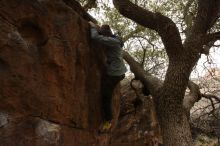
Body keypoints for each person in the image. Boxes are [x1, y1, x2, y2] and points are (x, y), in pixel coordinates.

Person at [89, 21, 127, 132]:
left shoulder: (112, 41)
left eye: (103, 34)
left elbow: (95, 37)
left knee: (106, 96)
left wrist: (92, 27)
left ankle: (108, 121)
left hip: (115, 74)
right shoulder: (116, 38)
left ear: (106, 34)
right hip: (119, 71)